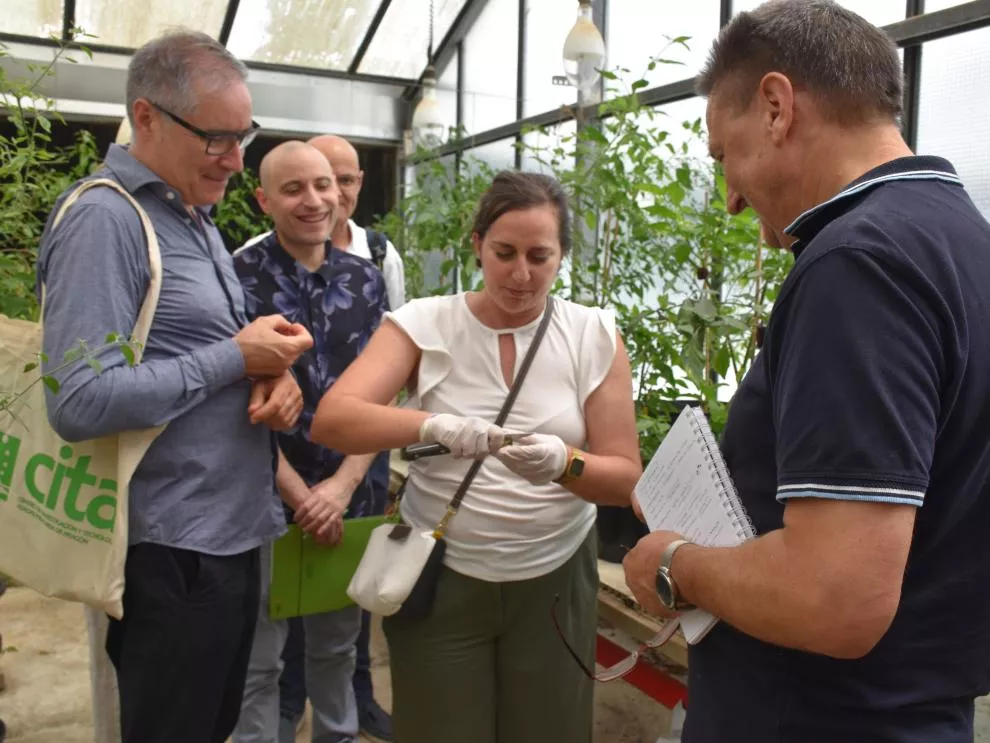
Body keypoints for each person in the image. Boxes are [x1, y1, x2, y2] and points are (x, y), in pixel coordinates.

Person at [621, 2, 990, 742]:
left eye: (723, 155)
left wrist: (677, 564)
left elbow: (836, 596)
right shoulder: (964, 242)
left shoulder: (860, 262)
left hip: (814, 714)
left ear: (777, 106)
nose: (727, 197)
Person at [36, 30, 313, 743]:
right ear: (147, 116)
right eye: (216, 137)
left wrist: (274, 383)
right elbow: (79, 400)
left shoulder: (192, 216)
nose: (235, 156)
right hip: (169, 554)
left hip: (227, 537)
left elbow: (213, 359)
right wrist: (233, 357)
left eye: (243, 134)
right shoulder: (107, 219)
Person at [311, 171, 642, 743]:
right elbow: (335, 419)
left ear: (563, 255)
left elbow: (624, 478)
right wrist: (433, 423)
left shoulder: (591, 335)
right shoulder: (425, 323)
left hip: (555, 578)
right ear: (477, 244)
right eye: (504, 252)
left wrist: (567, 463)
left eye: (540, 256)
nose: (520, 274)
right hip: (443, 577)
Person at [245, 133, 403, 741]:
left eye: (324, 185)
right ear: (264, 201)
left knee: (338, 648)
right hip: (263, 495)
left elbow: (384, 392)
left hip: (349, 495)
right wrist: (298, 495)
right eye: (293, 189)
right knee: (261, 661)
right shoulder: (239, 278)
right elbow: (235, 403)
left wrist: (341, 484)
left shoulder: (367, 280)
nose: (314, 200)